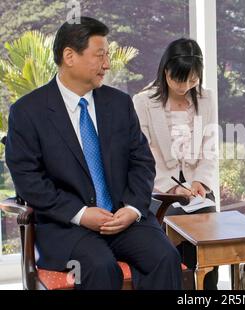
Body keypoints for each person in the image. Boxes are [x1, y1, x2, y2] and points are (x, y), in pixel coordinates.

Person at [5, 16, 181, 290]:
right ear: (69, 56)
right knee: (99, 267)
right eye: (100, 56)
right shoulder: (28, 112)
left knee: (165, 256)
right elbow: (29, 181)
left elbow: (142, 163)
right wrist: (80, 213)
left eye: (107, 56)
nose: (107, 64)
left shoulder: (119, 104)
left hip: (123, 219)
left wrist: (133, 209)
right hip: (66, 226)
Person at [133, 38, 219, 289]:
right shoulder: (143, 102)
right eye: (180, 80)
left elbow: (209, 148)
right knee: (173, 239)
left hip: (197, 190)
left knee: (208, 242)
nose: (185, 86)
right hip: (160, 192)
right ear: (165, 71)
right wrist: (170, 188)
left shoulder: (206, 99)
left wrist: (199, 181)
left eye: (192, 80)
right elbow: (143, 155)